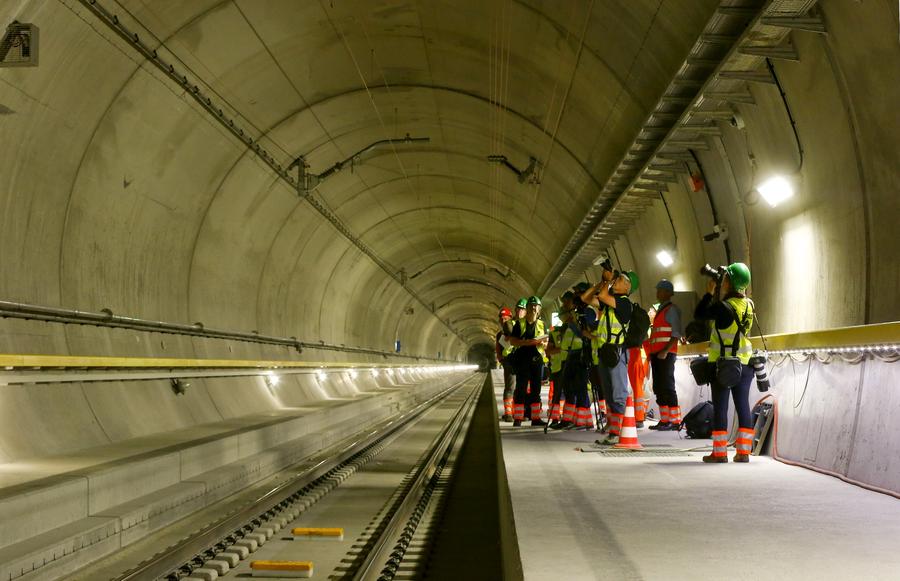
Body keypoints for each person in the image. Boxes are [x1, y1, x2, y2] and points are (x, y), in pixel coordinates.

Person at [694, 263, 755, 463]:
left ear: (729, 282)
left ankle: (719, 453)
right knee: (743, 405)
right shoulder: (749, 304)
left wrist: (709, 293)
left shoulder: (723, 307)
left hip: (723, 364)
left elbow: (699, 314)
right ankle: (744, 452)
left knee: (720, 407)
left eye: (726, 278)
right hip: (744, 363)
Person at [581, 269, 639, 445]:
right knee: (609, 394)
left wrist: (607, 282)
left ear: (628, 287)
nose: (617, 280)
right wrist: (601, 282)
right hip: (604, 352)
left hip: (617, 353)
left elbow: (604, 296)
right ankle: (614, 432)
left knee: (618, 393)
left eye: (620, 279)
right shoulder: (609, 304)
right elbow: (585, 298)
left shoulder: (624, 303)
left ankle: (624, 432)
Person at [647, 279, 683, 431]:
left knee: (668, 386)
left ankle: (674, 422)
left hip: (666, 354)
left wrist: (665, 350)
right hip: (657, 353)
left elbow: (676, 333)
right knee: (659, 387)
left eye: (660, 290)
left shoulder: (671, 310)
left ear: (668, 293)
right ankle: (664, 419)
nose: (657, 293)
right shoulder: (660, 310)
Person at [508, 296, 548, 427]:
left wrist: (544, 343)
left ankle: (535, 418)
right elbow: (513, 341)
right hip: (523, 360)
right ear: (527, 308)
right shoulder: (520, 324)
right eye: (531, 305)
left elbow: (547, 342)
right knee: (521, 389)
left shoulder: (542, 324)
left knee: (536, 390)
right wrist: (527, 342)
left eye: (536, 306)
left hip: (537, 361)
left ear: (539, 309)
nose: (534, 308)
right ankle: (518, 418)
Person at [495, 307, 516, 422]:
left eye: (505, 319)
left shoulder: (516, 330)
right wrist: (502, 361)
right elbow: (498, 350)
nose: (503, 321)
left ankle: (516, 412)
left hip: (518, 361)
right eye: (501, 319)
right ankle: (508, 413)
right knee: (510, 387)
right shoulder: (500, 334)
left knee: (518, 388)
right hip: (508, 362)